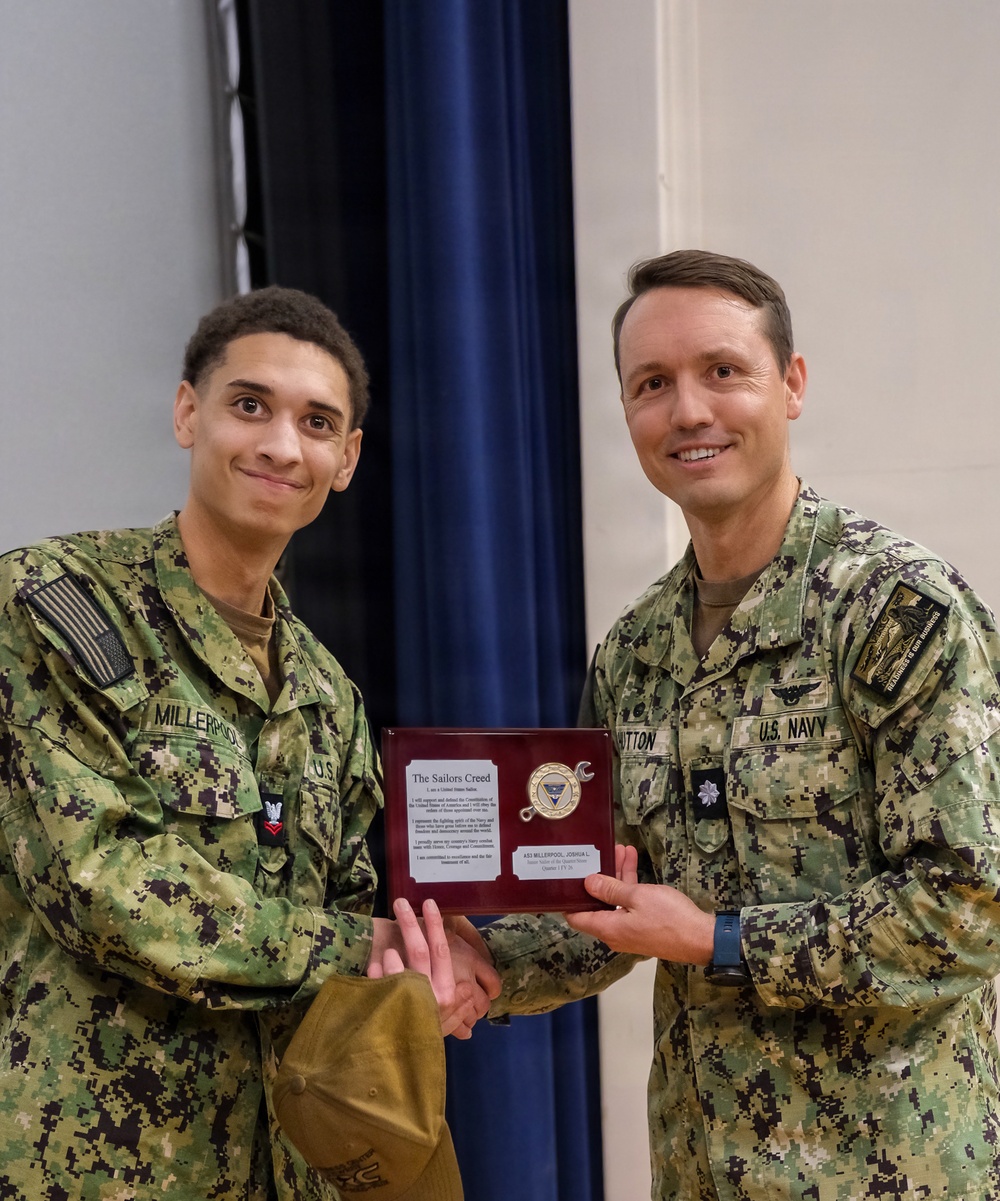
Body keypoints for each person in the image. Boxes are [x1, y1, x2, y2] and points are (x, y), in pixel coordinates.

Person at [469, 251, 1000, 1199]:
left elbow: (968, 909)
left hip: (889, 1176)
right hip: (699, 1171)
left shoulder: (894, 612)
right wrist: (472, 968)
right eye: (652, 384)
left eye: (723, 371)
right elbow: (606, 908)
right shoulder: (635, 652)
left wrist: (722, 939)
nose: (689, 411)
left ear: (791, 384)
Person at [0, 286, 498, 1200]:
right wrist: (363, 947)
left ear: (345, 460)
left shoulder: (328, 698)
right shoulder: (55, 605)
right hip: (98, 1168)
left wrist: (434, 966)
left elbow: (367, 928)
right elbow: (103, 886)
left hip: (288, 1170)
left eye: (317, 423)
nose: (280, 444)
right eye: (249, 405)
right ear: (189, 411)